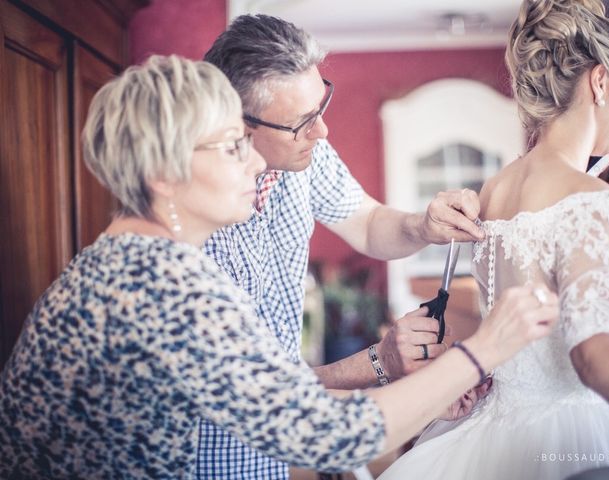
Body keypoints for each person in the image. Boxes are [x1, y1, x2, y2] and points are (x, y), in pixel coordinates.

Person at [0, 55, 557, 479]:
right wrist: (482, 350)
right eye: (230, 147)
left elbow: (285, 397)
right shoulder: (167, 290)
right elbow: (328, 436)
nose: (256, 162)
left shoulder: (128, 260)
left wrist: (420, 377)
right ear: (161, 176)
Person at [200, 14, 491, 477]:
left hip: (273, 453)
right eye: (302, 122)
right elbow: (248, 393)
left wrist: (423, 225)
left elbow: (369, 222)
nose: (323, 132)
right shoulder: (197, 225)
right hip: (207, 455)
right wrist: (381, 363)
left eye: (322, 106)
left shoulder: (304, 156)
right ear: (238, 126)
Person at [379, 1, 609, 479]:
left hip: (494, 424)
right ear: (600, 83)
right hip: (573, 434)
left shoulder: (495, 188)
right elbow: (595, 356)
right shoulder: (589, 197)